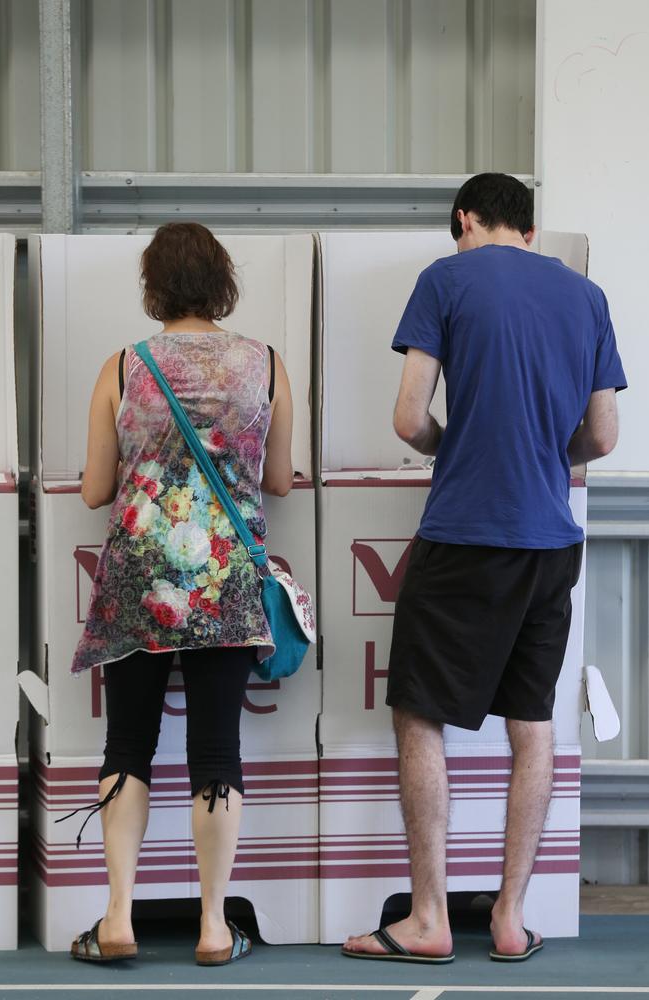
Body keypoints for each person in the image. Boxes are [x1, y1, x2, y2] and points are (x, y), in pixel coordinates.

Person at [343, 173, 626, 964]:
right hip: (549, 543)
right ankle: (509, 917)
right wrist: (545, 455)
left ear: (465, 219)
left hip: (465, 532)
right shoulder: (586, 297)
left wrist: (450, 446)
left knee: (420, 714)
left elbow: (407, 417)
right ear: (529, 229)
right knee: (530, 723)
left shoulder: (445, 280)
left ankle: (428, 918)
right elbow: (603, 438)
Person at [65, 222, 293, 965]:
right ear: (222, 282)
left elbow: (98, 487)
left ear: (154, 286)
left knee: (127, 744)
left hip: (138, 583)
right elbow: (282, 481)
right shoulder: (265, 364)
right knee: (217, 749)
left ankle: (119, 920)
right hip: (225, 583)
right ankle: (214, 927)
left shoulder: (124, 366)